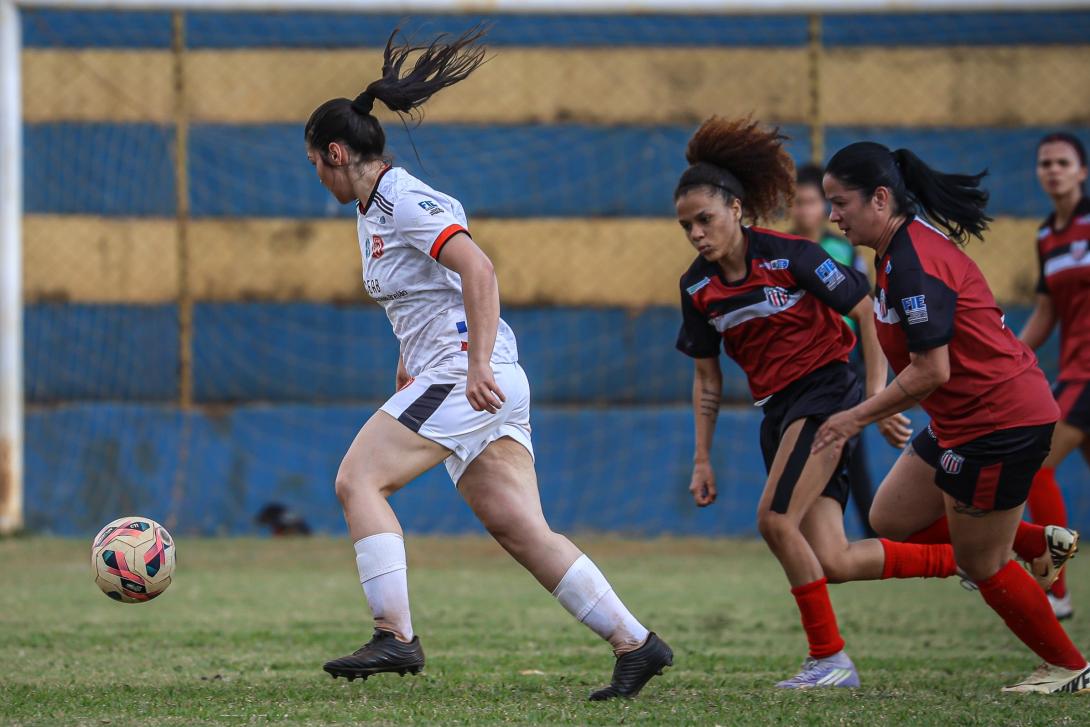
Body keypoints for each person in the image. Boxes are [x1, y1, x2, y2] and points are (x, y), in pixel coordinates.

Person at [304, 27, 672, 701]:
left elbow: (478, 268)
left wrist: (473, 366)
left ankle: (396, 635)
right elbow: (423, 294)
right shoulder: (372, 207)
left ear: (336, 152)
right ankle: (637, 642)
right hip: (458, 375)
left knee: (357, 480)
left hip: (466, 375)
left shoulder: (402, 199)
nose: (318, 178)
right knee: (521, 529)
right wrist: (406, 366)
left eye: (317, 165)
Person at [675, 116, 961, 690]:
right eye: (686, 226)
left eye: (705, 219)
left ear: (736, 209)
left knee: (774, 522)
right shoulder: (696, 288)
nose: (697, 234)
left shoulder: (791, 256)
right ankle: (983, 559)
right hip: (776, 414)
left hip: (826, 397)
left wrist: (877, 396)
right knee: (834, 559)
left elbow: (865, 308)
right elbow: (708, 381)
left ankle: (829, 658)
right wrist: (702, 458)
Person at [814, 141, 1087, 693]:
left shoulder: (913, 259)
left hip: (999, 423)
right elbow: (927, 366)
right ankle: (1036, 543)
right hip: (965, 417)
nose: (832, 215)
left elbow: (932, 370)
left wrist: (857, 417)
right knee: (890, 517)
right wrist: (890, 403)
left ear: (881, 198)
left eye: (840, 202)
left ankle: (1069, 666)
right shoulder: (894, 250)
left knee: (981, 563)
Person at [1019, 132, 1090, 621]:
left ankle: (1055, 590)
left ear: (1082, 171)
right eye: (1045, 163)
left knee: (1035, 464)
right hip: (1074, 369)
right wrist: (1011, 357)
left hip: (1086, 376)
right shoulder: (1048, 235)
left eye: (1063, 162)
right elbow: (1046, 312)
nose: (1053, 170)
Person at [791, 163, 878, 537]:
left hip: (842, 364)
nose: (802, 210)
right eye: (795, 203)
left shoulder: (841, 249)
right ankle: (809, 532)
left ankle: (871, 532)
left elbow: (864, 305)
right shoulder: (782, 251)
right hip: (799, 369)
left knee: (849, 454)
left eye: (810, 201)